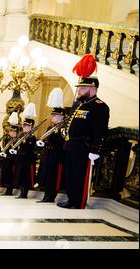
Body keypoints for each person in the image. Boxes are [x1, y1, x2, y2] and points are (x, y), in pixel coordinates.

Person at [58, 54, 110, 209]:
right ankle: (71, 199)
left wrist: (95, 149)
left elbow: (100, 130)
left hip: (84, 147)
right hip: (71, 146)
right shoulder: (80, 104)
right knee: (70, 175)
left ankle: (78, 202)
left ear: (92, 88)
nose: (79, 90)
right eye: (79, 88)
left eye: (82, 88)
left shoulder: (99, 106)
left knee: (80, 176)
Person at [36, 88, 66, 203]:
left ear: (61, 116)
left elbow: (61, 142)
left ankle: (51, 196)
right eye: (52, 115)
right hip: (48, 156)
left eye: (55, 115)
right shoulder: (50, 127)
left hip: (56, 157)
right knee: (46, 177)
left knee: (53, 178)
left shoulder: (63, 128)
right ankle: (46, 196)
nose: (52, 117)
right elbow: (47, 139)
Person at [11, 103, 38, 199]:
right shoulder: (22, 135)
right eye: (24, 126)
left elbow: (30, 149)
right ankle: (22, 192)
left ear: (31, 127)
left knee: (25, 178)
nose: (24, 127)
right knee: (20, 176)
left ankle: (24, 193)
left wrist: (24, 142)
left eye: (27, 126)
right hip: (20, 159)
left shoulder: (32, 137)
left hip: (27, 160)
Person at [0, 112, 19, 196]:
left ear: (16, 132)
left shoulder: (17, 140)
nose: (10, 132)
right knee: (6, 175)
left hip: (13, 161)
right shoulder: (9, 139)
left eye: (12, 131)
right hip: (7, 160)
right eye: (10, 131)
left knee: (10, 175)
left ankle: (9, 190)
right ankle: (7, 189)